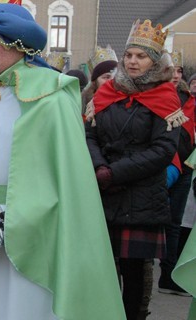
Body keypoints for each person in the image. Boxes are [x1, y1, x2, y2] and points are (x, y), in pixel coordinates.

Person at [0, 4, 125, 319]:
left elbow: (63, 184)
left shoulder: (51, 100)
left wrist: (6, 225)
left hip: (27, 246)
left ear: (19, 44)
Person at [85, 19, 182, 319]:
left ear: (154, 61)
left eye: (140, 56)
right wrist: (100, 166)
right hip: (104, 193)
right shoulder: (107, 93)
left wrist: (115, 172)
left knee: (135, 278)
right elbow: (90, 135)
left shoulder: (166, 97)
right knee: (101, 270)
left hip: (141, 199)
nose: (132, 61)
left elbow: (163, 150)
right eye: (129, 55)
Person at [158, 49, 194, 297]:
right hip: (161, 163)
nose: (175, 74)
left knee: (174, 222)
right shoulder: (156, 94)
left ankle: (168, 275)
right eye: (171, 70)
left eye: (178, 71)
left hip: (182, 166)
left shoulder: (187, 98)